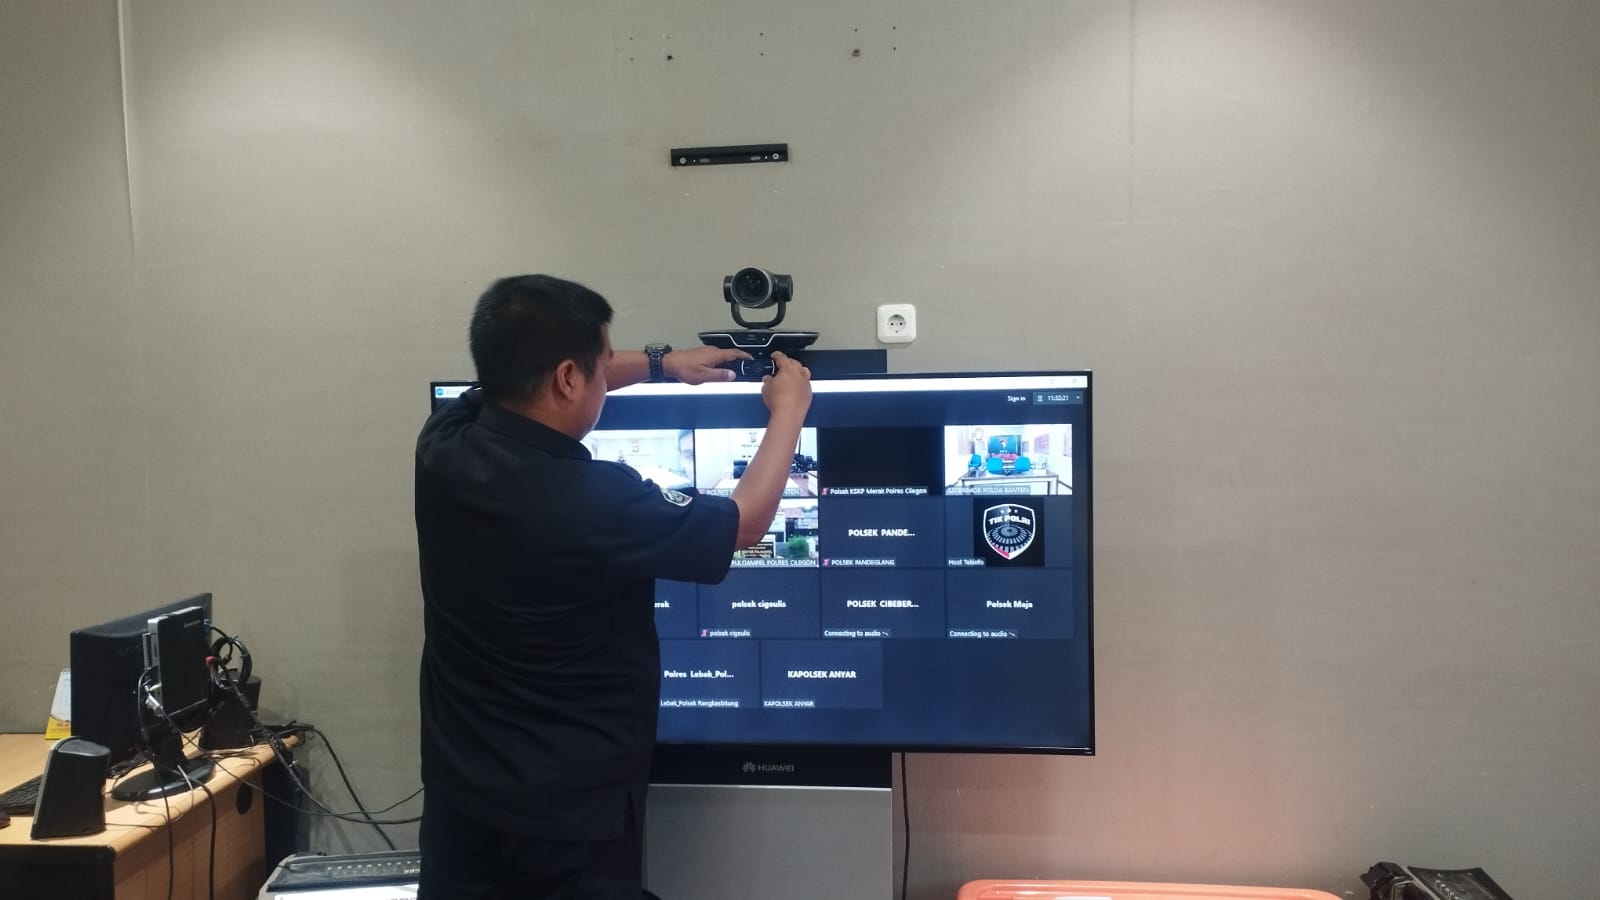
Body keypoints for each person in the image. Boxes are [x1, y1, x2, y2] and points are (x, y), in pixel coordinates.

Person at [413, 274, 812, 899]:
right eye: (602, 367)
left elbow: (525, 376)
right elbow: (745, 523)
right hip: (570, 815)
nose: (607, 377)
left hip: (459, 796)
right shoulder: (593, 499)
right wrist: (790, 410)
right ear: (568, 379)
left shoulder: (443, 442)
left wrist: (663, 364)